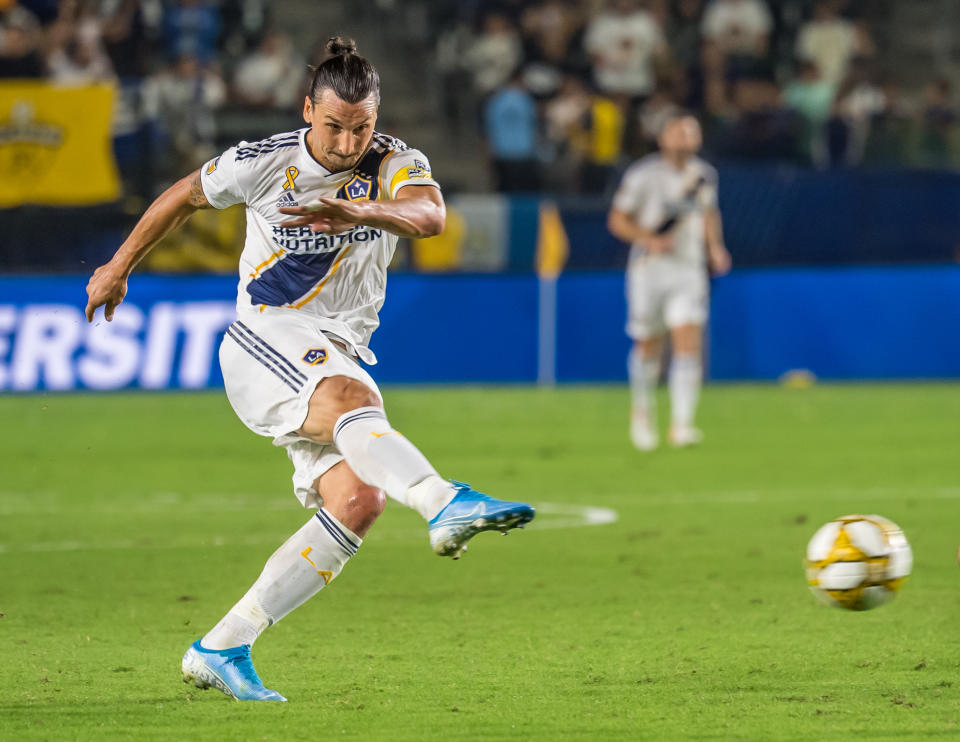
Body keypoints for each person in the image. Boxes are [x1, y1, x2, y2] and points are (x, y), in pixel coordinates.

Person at [84, 37, 535, 702]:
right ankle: (444, 502)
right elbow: (181, 196)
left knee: (358, 501)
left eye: (362, 127)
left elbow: (431, 216)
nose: (350, 142)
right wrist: (117, 266)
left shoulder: (393, 161)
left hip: (335, 344)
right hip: (266, 335)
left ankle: (223, 645)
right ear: (307, 111)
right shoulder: (261, 162)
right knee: (353, 399)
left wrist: (361, 209)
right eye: (334, 127)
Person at [607, 114, 731, 451]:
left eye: (692, 132)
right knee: (649, 343)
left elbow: (708, 213)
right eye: (679, 131)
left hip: (689, 269)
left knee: (688, 339)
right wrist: (649, 238)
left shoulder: (704, 176)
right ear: (663, 138)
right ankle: (642, 412)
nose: (686, 137)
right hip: (650, 269)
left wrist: (715, 248)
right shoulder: (643, 175)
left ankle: (681, 424)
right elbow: (617, 220)